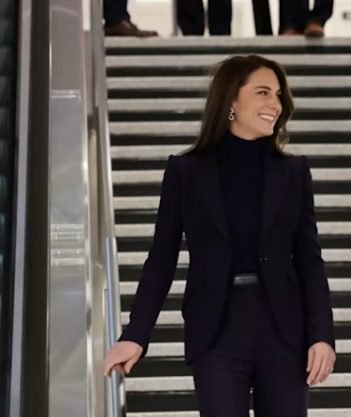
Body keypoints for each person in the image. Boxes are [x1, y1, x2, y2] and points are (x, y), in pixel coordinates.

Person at [104, 55, 336, 417]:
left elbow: (309, 259)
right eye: (262, 92)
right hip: (216, 330)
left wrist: (321, 334)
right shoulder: (186, 171)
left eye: (278, 95)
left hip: (284, 331)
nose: (274, 104)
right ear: (231, 100)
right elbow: (161, 258)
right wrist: (135, 334)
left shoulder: (293, 172)